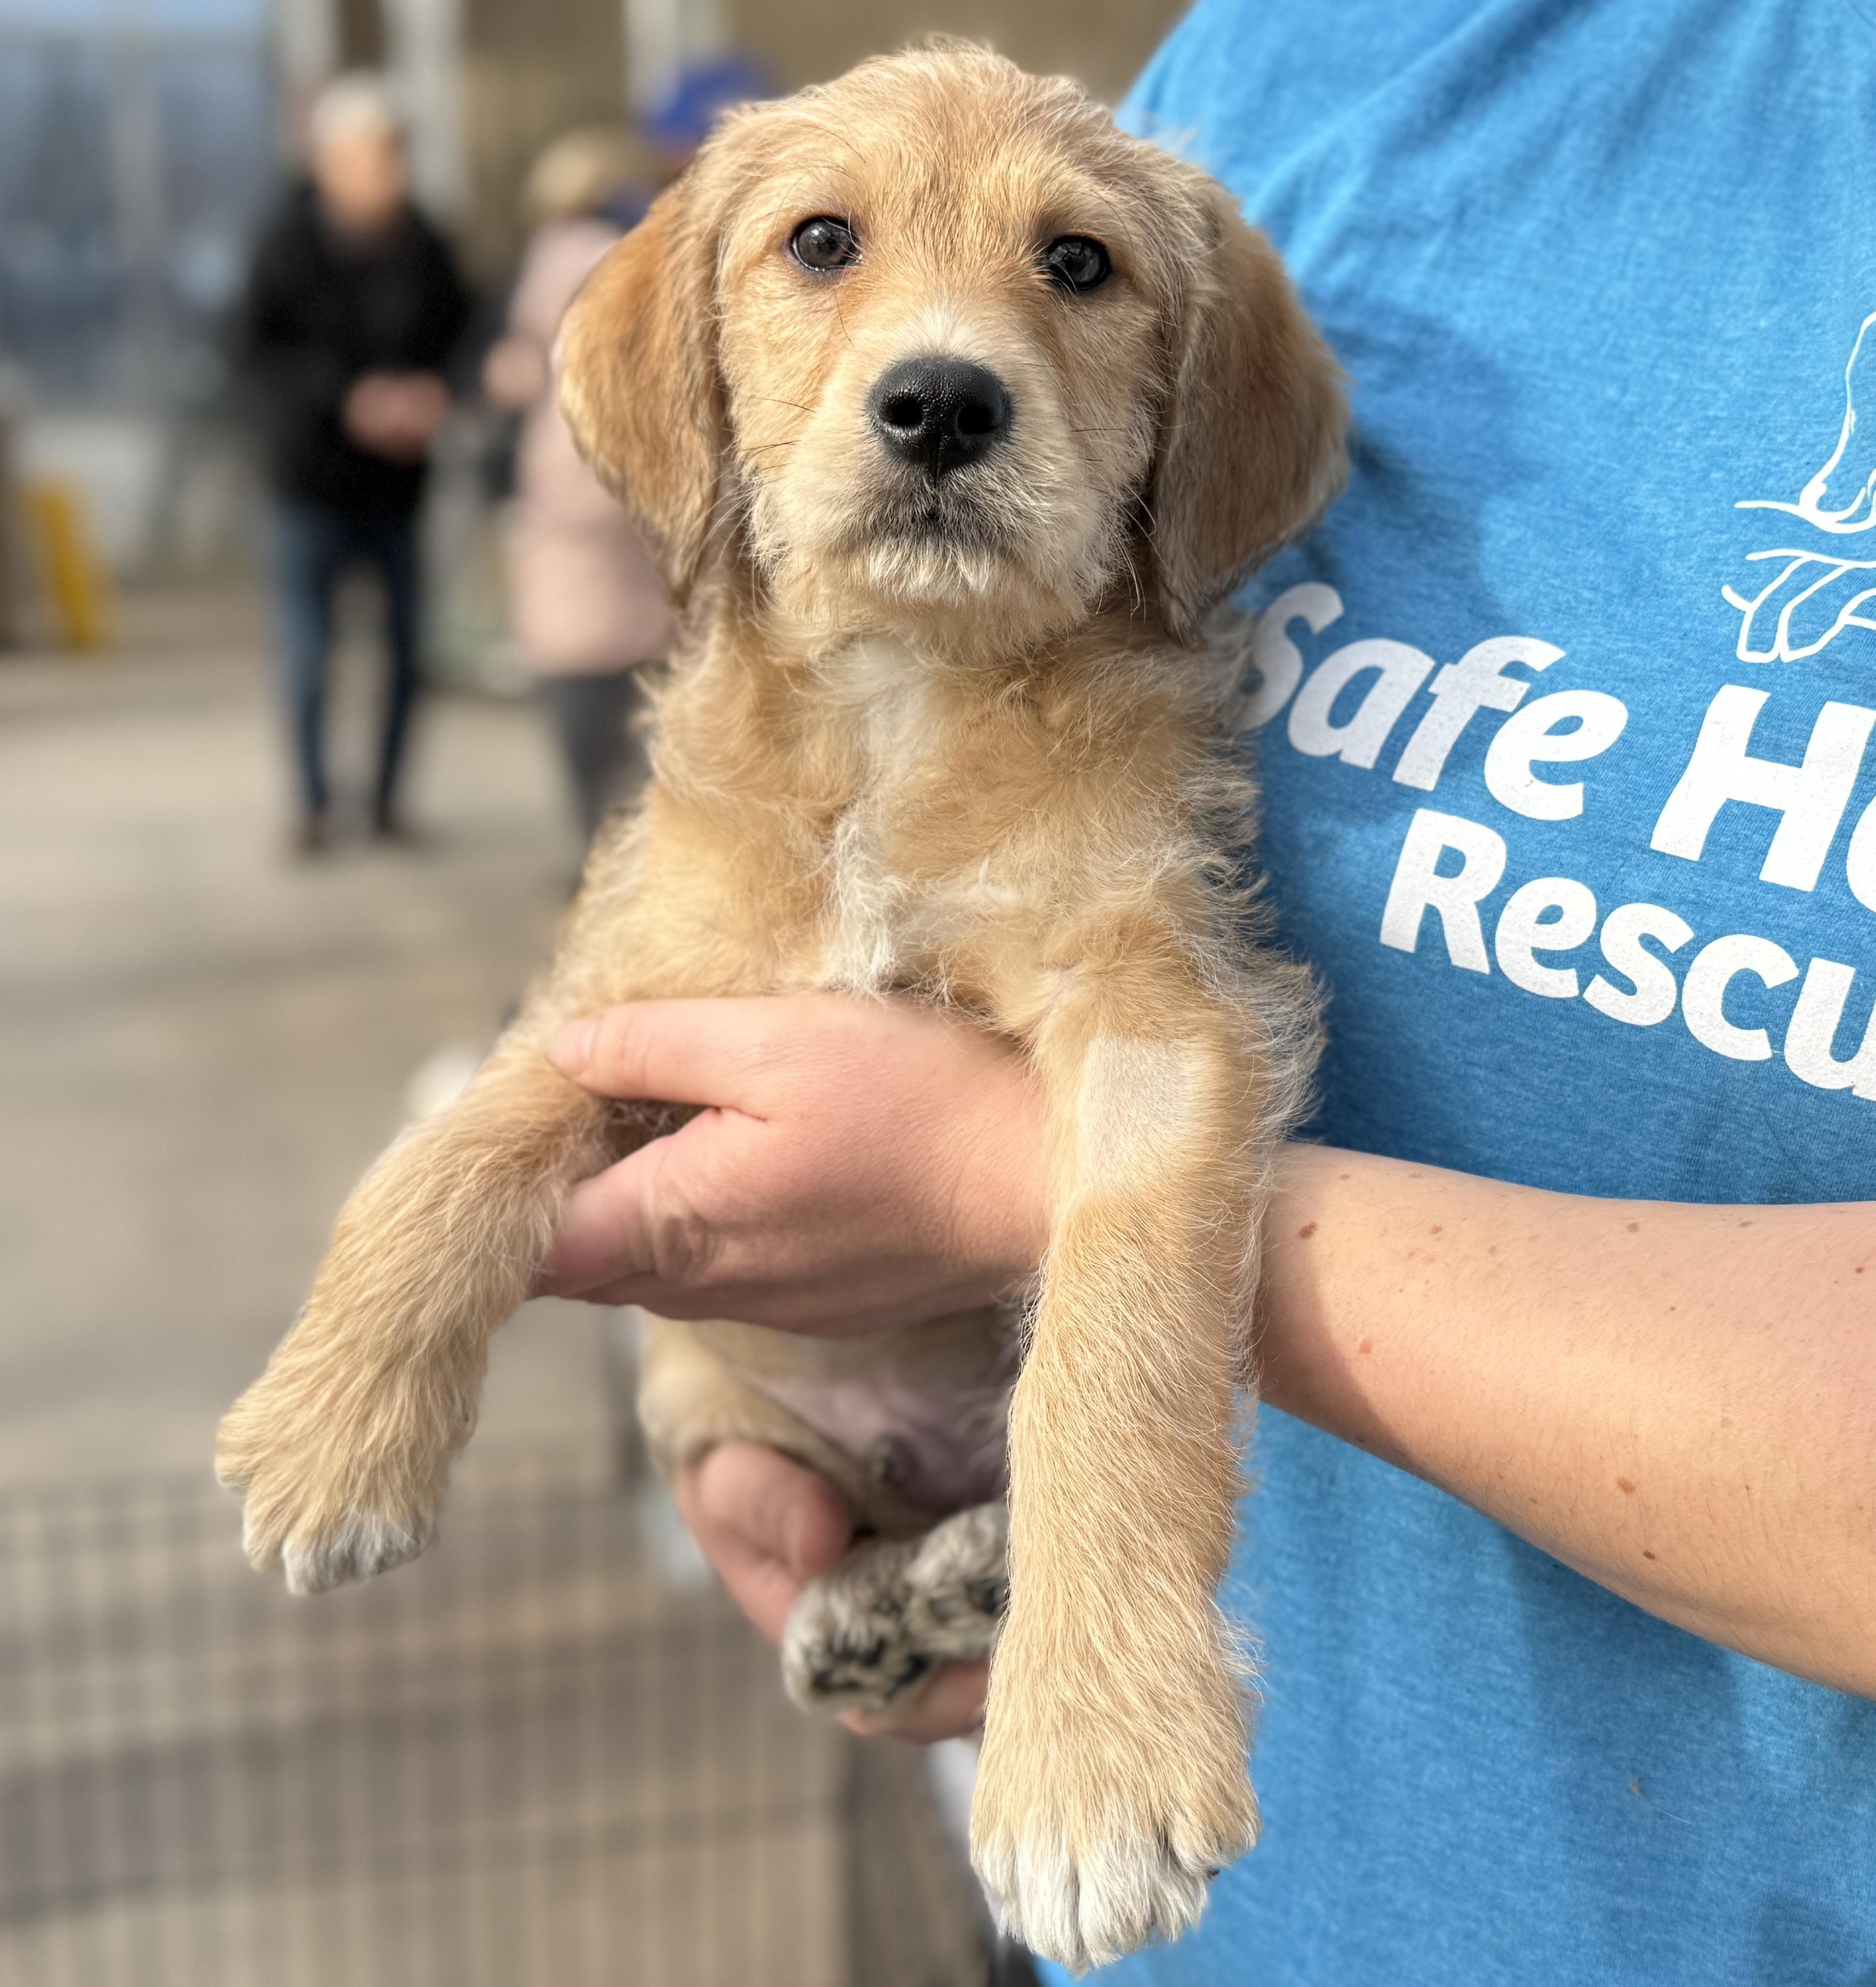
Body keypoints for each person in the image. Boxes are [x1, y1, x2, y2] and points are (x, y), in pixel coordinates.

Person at [527, 2, 1876, 1979]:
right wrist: (796, 1377)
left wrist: (1010, 1179)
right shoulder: (1301, 58)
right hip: (1138, 1896)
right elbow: (897, 706)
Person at [238, 74, 470, 853]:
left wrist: (432, 392)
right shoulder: (284, 242)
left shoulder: (424, 240)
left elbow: (462, 333)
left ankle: (385, 802)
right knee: (309, 651)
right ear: (331, 160)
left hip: (398, 485)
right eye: (371, 156)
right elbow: (256, 355)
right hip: (308, 484)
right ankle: (311, 804)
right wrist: (349, 399)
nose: (386, 171)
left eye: (394, 155)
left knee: (405, 651)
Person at [482, 129, 673, 849]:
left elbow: (520, 368)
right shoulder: (607, 254)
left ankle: (597, 841)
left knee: (584, 692)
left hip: (572, 490)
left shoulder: (558, 256)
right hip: (615, 488)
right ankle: (615, 841)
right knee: (644, 700)